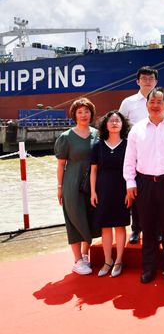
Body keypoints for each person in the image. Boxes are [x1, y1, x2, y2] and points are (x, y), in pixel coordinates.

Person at [123, 87, 164, 284]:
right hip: (144, 184)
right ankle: (149, 268)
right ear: (147, 104)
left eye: (159, 102)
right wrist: (130, 182)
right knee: (147, 228)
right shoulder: (137, 129)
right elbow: (130, 158)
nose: (155, 105)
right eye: (152, 102)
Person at [55, 98, 100, 275]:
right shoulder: (66, 137)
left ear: (91, 114)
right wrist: (59, 187)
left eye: (86, 111)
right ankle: (77, 260)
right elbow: (61, 165)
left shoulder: (97, 134)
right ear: (74, 115)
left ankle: (85, 255)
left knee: (89, 217)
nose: (83, 115)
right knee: (74, 219)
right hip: (72, 183)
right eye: (80, 112)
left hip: (93, 184)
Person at [118, 66, 159, 244]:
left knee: (157, 193)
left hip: (157, 153)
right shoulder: (128, 102)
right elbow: (119, 124)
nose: (147, 81)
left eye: (151, 78)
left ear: (156, 82)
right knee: (136, 192)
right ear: (138, 81)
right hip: (135, 153)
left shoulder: (162, 100)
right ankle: (136, 228)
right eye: (144, 78)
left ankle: (158, 229)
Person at [90, 110, 131, 278]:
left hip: (122, 189)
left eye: (118, 120)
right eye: (111, 120)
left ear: (123, 125)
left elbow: (132, 169)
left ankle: (119, 260)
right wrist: (93, 192)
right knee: (105, 226)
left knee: (120, 225)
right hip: (103, 189)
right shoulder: (98, 146)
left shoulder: (128, 145)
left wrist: (130, 191)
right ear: (105, 125)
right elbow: (93, 170)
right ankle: (108, 261)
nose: (114, 123)